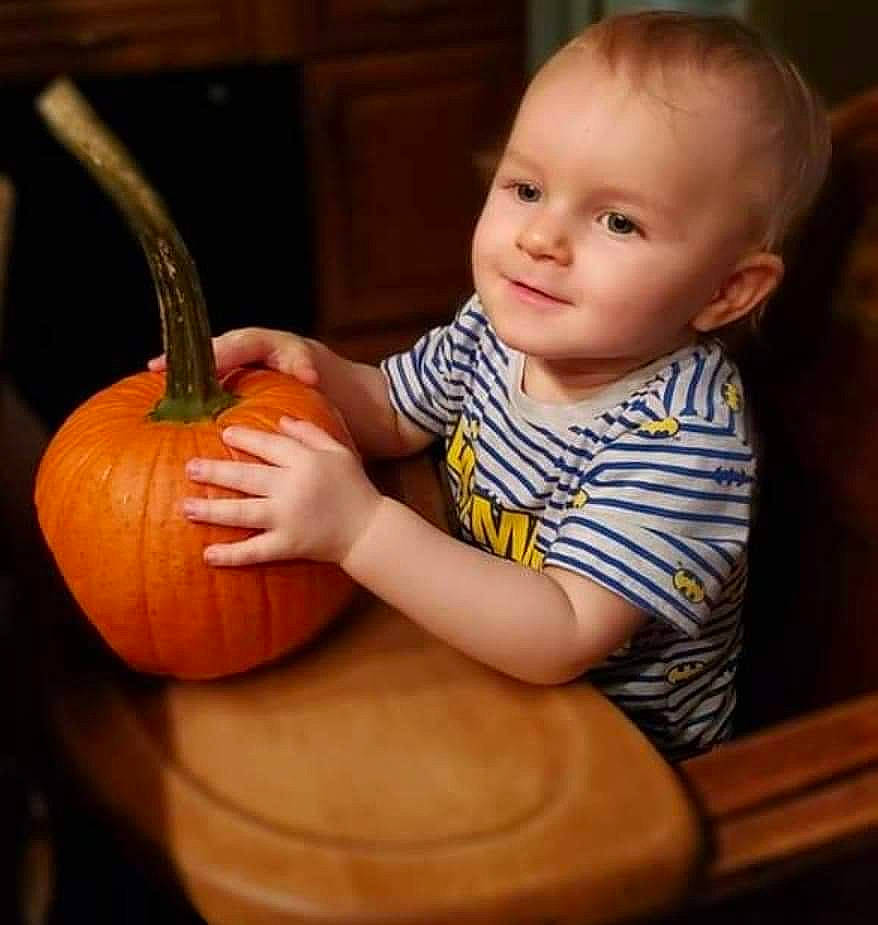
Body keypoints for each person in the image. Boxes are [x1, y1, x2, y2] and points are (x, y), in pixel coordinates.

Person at [150, 10, 831, 760]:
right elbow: (393, 409)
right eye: (528, 189)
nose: (541, 239)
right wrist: (308, 365)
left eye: (618, 222)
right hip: (471, 662)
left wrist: (362, 529)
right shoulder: (499, 331)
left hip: (615, 762)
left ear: (727, 291)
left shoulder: (684, 440)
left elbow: (561, 635)